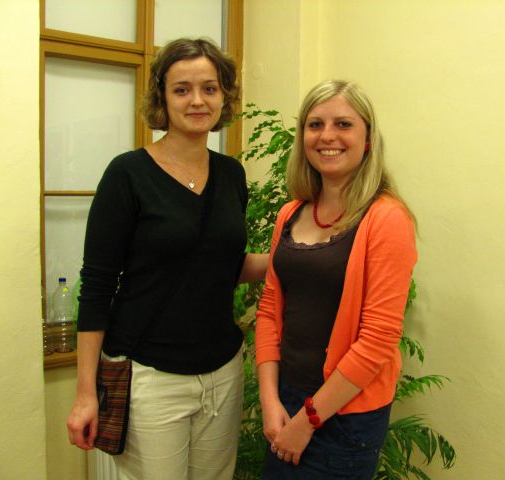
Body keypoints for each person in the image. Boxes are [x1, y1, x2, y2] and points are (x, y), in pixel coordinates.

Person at [66, 37, 268, 480]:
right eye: (182, 89)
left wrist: (297, 255)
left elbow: (221, 266)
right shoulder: (127, 174)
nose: (197, 100)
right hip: (150, 375)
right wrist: (85, 393)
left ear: (224, 96)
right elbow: (97, 287)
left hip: (222, 372)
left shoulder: (232, 174)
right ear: (162, 98)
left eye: (209, 88)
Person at [255, 80, 418, 479]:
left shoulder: (387, 218)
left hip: (344, 417)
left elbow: (378, 339)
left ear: (367, 138)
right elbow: (270, 309)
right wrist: (270, 402)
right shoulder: (290, 213)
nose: (327, 136)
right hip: (286, 400)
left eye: (343, 124)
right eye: (315, 125)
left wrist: (307, 421)